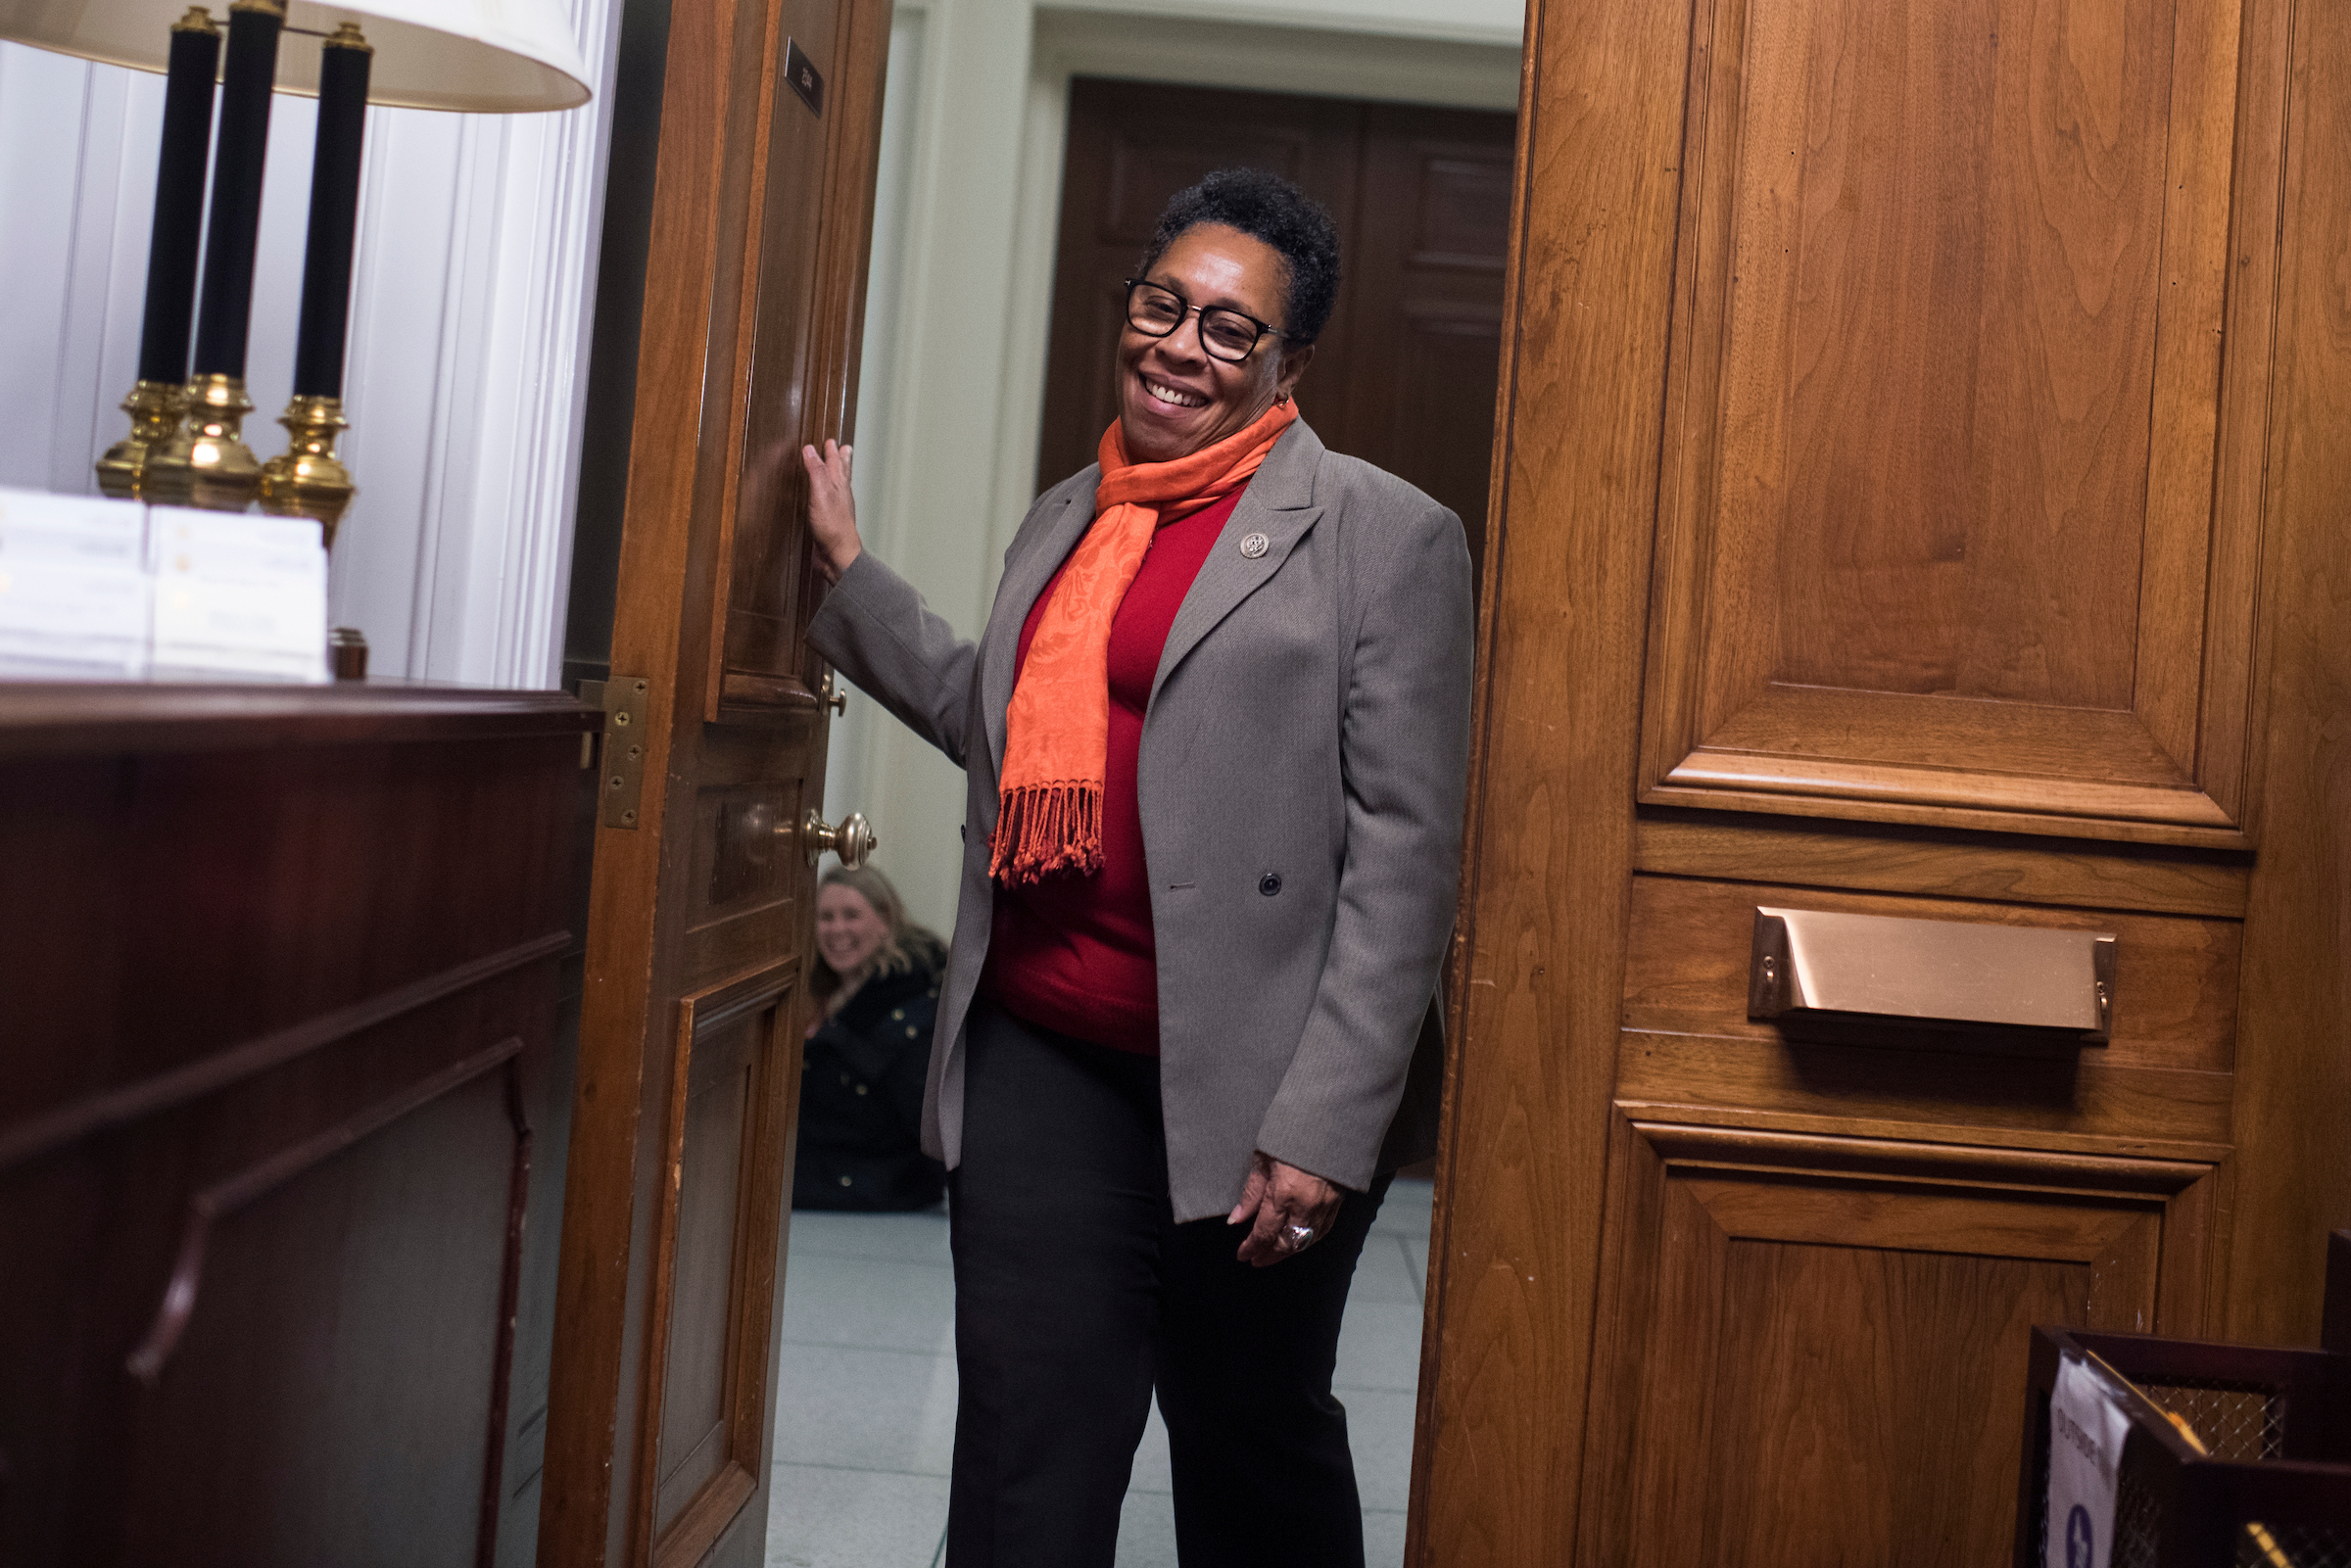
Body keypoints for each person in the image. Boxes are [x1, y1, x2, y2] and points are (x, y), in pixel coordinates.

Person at [798, 166, 1473, 1568]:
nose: (1182, 345)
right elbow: (1002, 717)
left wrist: (1326, 1127)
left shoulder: (1382, 533)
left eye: (1231, 329)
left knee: (1250, 1445)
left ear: (1288, 361)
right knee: (1025, 1456)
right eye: (1164, 305)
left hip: (1255, 1085)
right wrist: (847, 578)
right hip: (1046, 1051)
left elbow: (1408, 854)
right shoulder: (1072, 512)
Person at [793, 865, 949, 1212]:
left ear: (884, 918)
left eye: (851, 915)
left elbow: (916, 1117)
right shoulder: (822, 993)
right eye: (825, 917)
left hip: (885, 1186)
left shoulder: (913, 1001)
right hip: (832, 1174)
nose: (837, 929)